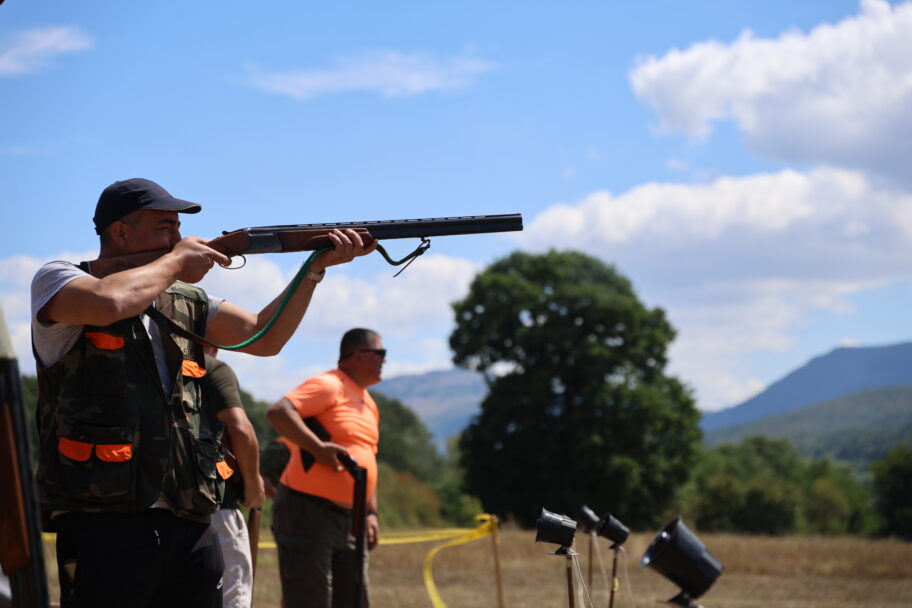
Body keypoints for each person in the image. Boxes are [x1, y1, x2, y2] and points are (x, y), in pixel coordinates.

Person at [30, 177, 374, 608]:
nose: (178, 238)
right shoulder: (60, 279)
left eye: (178, 227)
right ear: (120, 232)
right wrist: (176, 262)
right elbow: (110, 303)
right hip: (102, 518)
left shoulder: (186, 298)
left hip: (189, 515)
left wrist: (314, 269)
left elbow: (263, 336)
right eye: (165, 227)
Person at [267, 328, 384, 608]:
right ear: (358, 356)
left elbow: (368, 460)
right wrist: (317, 448)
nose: (385, 360)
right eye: (380, 353)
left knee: (354, 601)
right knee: (308, 602)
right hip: (308, 510)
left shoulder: (369, 403)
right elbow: (279, 412)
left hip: (351, 518)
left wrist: (370, 512)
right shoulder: (330, 385)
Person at [205, 346, 264, 608]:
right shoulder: (212, 367)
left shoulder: (151, 363)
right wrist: (253, 483)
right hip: (218, 505)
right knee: (232, 599)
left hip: (160, 508)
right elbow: (239, 428)